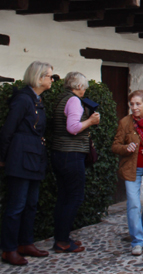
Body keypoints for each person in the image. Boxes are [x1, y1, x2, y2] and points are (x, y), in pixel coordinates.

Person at [0, 62, 54, 265]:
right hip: (20, 158)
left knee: (31, 204)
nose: (51, 79)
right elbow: (7, 130)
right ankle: (9, 249)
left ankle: (25, 243)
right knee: (16, 206)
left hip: (34, 157)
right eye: (50, 76)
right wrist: (4, 158)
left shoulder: (36, 99)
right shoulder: (23, 99)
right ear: (39, 78)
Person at [51, 71, 100, 253]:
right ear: (79, 86)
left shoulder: (61, 98)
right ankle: (62, 241)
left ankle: (61, 237)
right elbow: (72, 128)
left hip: (59, 153)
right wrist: (91, 121)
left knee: (64, 197)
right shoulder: (73, 101)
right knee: (74, 197)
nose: (84, 91)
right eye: (84, 88)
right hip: (70, 155)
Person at [111, 90, 143, 256]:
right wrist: (126, 148)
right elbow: (115, 146)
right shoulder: (125, 122)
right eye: (131, 104)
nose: (134, 107)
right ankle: (137, 240)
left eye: (138, 104)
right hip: (131, 168)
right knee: (133, 203)